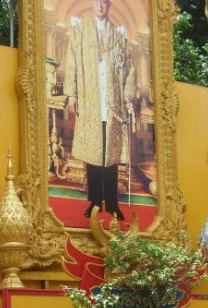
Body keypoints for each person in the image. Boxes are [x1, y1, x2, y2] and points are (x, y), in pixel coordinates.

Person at [64, 0, 137, 221]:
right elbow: (72, 63)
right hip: (90, 100)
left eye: (105, 1)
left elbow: (129, 68)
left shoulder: (118, 35)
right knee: (94, 154)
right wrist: (72, 94)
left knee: (111, 155)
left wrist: (128, 97)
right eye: (97, 1)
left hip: (113, 104)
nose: (100, 5)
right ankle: (95, 202)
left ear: (109, 5)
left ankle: (113, 205)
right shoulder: (79, 31)